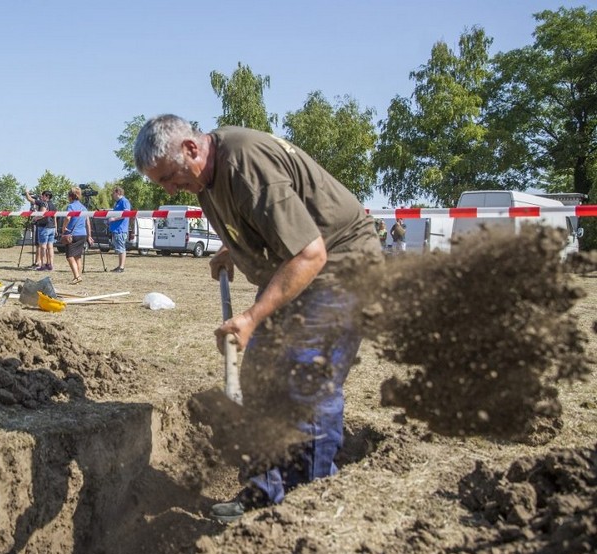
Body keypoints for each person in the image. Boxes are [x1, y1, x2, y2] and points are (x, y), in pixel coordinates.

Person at [133, 114, 382, 523]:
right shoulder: (205, 180)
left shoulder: (245, 163)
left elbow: (311, 252)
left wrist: (250, 317)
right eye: (162, 183)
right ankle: (267, 491)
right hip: (302, 265)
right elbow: (265, 226)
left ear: (191, 148)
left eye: (171, 178)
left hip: (341, 265)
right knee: (260, 375)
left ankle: (310, 504)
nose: (171, 190)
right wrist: (237, 250)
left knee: (307, 377)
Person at [61, 186, 93, 285]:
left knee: (70, 256)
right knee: (77, 257)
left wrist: (63, 228)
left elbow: (68, 217)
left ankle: (77, 276)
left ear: (70, 196)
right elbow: (88, 222)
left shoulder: (70, 206)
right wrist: (89, 235)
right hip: (82, 234)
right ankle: (78, 277)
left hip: (72, 234)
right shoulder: (84, 207)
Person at [26, 189, 56, 271]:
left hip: (44, 227)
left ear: (46, 196)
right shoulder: (53, 205)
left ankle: (42, 265)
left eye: (42, 195)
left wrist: (27, 192)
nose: (41, 197)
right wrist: (55, 228)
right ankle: (50, 265)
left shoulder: (42, 203)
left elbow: (30, 199)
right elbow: (55, 217)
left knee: (43, 246)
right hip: (52, 227)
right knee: (50, 247)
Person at [108, 186, 131, 272]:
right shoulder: (118, 203)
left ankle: (121, 267)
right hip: (116, 229)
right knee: (119, 248)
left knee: (121, 248)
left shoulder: (124, 202)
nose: (112, 195)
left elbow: (126, 214)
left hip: (120, 229)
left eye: (113, 193)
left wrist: (114, 219)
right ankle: (119, 266)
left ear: (118, 193)